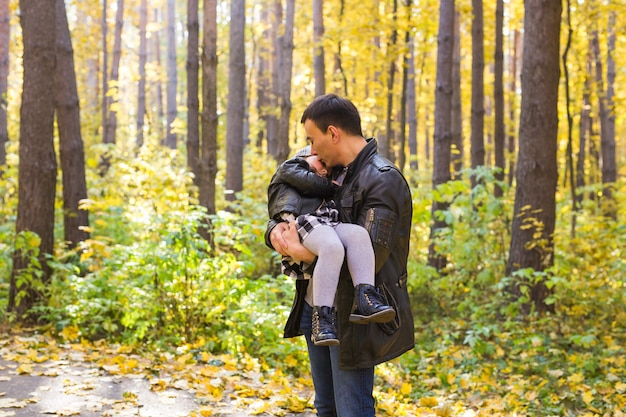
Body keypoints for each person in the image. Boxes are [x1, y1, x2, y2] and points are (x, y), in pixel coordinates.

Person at [265, 93, 414, 417]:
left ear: (333, 133)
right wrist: (275, 229)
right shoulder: (328, 171)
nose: (311, 150)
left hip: (353, 315)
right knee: (326, 407)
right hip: (316, 309)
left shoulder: (381, 179)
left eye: (313, 140)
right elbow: (290, 201)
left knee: (352, 409)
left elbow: (369, 256)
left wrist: (301, 251)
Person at [268, 153, 396, 347]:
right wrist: (330, 186)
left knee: (358, 235)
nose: (325, 169)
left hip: (329, 221)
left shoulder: (333, 168)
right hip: (304, 222)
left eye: (327, 168)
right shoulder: (292, 167)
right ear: (305, 156)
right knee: (332, 247)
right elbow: (303, 183)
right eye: (320, 161)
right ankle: (322, 319)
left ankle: (365, 296)